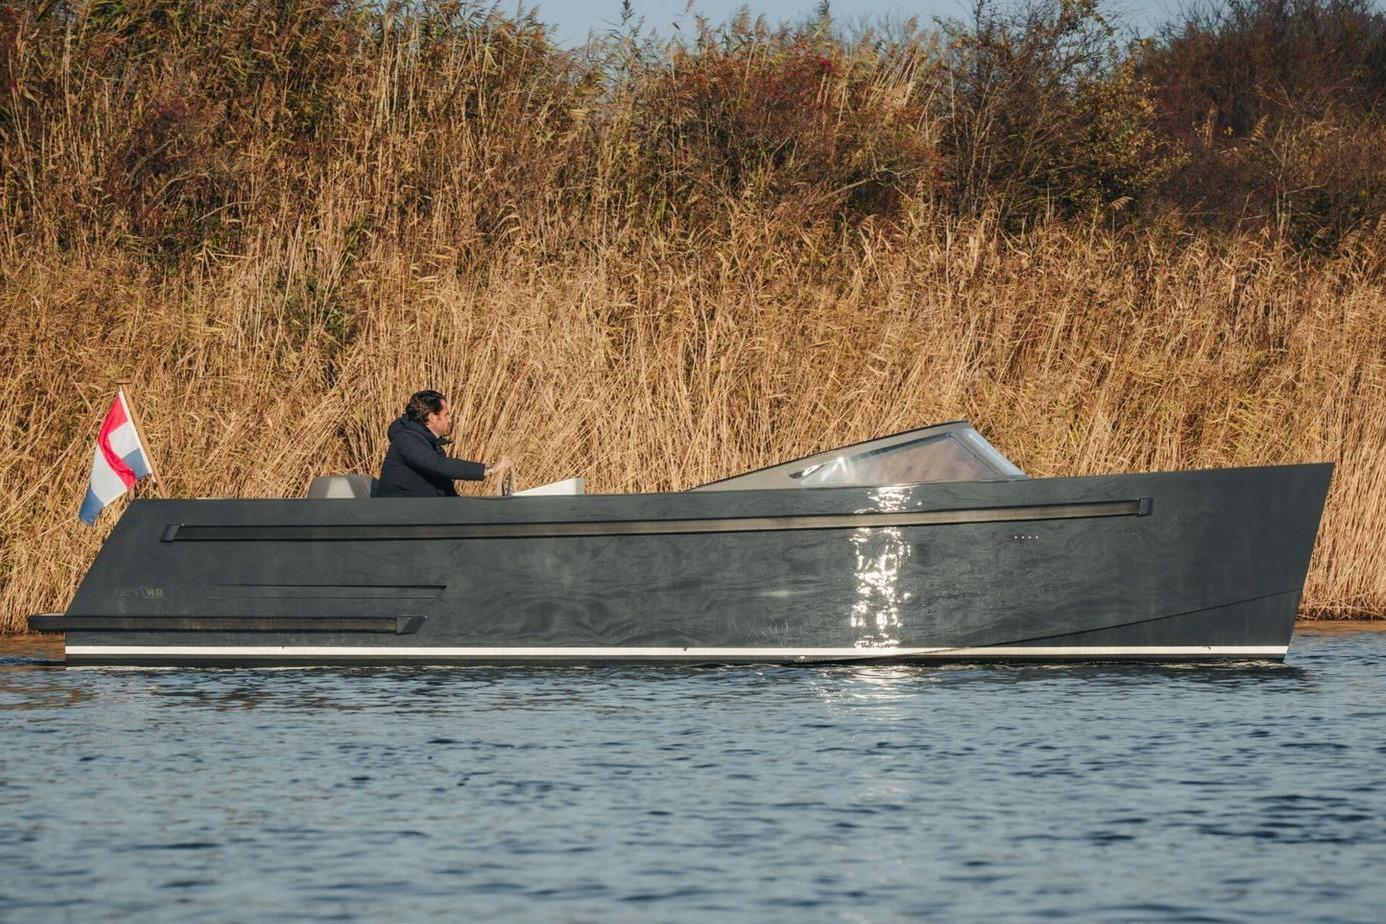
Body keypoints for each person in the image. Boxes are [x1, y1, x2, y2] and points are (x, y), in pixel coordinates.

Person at [376, 390, 512, 497]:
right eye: (446, 414)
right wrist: (489, 469)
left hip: (422, 515)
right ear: (432, 418)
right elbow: (438, 465)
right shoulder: (406, 440)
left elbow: (446, 492)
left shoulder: (430, 444)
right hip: (400, 518)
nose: (450, 420)